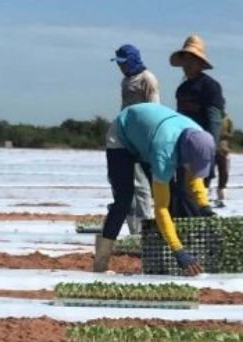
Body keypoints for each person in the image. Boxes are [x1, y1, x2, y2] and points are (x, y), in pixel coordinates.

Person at [96, 102, 216, 275]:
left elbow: (194, 177)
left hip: (148, 136)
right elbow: (161, 208)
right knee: (124, 201)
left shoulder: (200, 137)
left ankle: (165, 256)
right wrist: (178, 250)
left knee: (175, 193)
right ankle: (101, 262)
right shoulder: (163, 155)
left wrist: (204, 205)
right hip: (122, 135)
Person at [112, 44, 159, 235]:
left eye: (123, 63)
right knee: (125, 183)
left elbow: (154, 109)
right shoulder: (125, 81)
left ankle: (145, 228)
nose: (120, 66)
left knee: (141, 185)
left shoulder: (147, 79)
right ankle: (134, 230)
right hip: (125, 136)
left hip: (142, 138)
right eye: (118, 63)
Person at [170, 35, 225, 186]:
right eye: (185, 60)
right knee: (182, 190)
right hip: (184, 146)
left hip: (201, 147)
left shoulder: (210, 86)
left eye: (192, 60)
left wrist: (210, 151)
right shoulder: (182, 89)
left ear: (200, 63)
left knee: (198, 190)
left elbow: (214, 121)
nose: (187, 64)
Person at [214, 113, 233, 207]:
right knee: (206, 173)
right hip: (210, 148)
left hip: (223, 149)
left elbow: (230, 134)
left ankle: (221, 194)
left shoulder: (227, 119)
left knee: (224, 173)